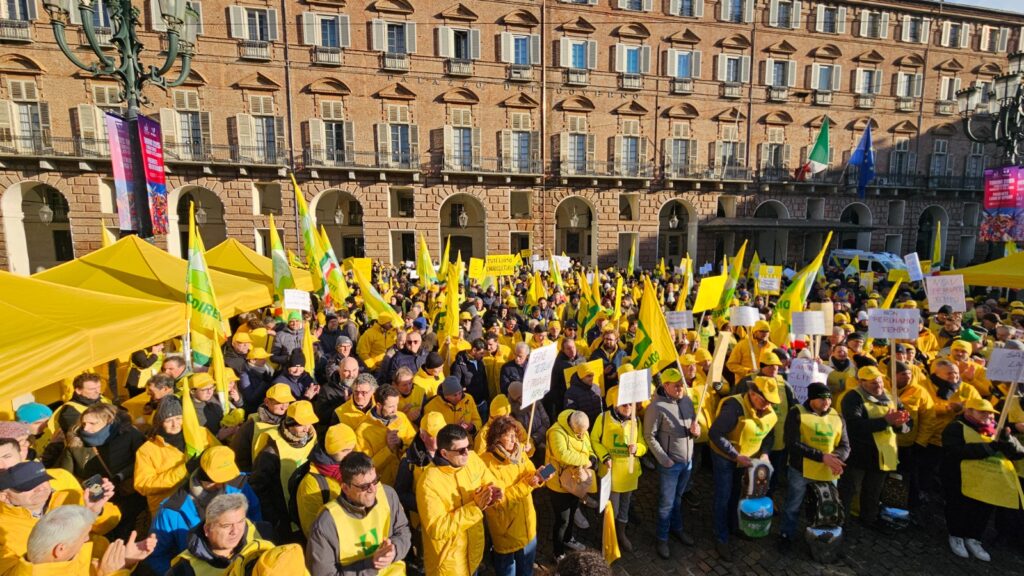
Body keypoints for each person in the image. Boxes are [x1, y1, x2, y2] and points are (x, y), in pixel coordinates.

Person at [147, 446, 263, 575]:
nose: (223, 484)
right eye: (217, 480)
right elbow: (157, 556)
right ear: (203, 476)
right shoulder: (171, 511)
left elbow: (255, 517)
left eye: (226, 478)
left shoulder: (239, 485)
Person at [942, 397, 1024, 561]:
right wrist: (989, 447)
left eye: (991, 413)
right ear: (968, 412)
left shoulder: (997, 429)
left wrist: (1008, 440)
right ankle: (956, 535)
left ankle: (974, 538)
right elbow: (955, 451)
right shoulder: (955, 427)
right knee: (959, 507)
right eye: (982, 412)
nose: (989, 417)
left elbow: (1019, 452)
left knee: (982, 511)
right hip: (961, 478)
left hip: (989, 480)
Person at [708, 376, 780, 562]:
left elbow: (769, 435)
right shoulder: (734, 407)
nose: (766, 406)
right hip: (725, 457)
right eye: (763, 400)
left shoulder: (768, 410)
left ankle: (733, 525)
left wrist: (765, 453)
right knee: (723, 495)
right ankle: (720, 535)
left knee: (737, 494)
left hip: (745, 460)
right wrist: (734, 454)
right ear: (752, 393)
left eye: (770, 402)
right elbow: (715, 433)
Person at [306, 452, 411, 576]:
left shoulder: (388, 494)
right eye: (364, 486)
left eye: (375, 480)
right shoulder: (326, 523)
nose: (372, 489)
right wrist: (371, 564)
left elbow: (403, 531)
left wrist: (395, 550)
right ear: (345, 488)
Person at [416, 425, 501, 576]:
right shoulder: (428, 482)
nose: (467, 453)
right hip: (449, 566)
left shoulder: (473, 459)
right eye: (461, 450)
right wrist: (475, 507)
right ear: (444, 453)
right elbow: (437, 528)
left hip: (474, 555)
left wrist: (494, 492)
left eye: (468, 446)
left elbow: (489, 480)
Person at [57, 403, 146, 542]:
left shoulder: (129, 435)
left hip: (130, 495)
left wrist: (122, 476)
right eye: (84, 423)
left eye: (93, 423)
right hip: (98, 502)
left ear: (108, 422)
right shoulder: (75, 444)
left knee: (130, 534)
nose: (86, 428)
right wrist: (87, 487)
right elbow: (66, 476)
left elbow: (144, 461)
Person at [778, 382, 850, 549]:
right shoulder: (797, 413)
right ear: (811, 399)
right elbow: (793, 443)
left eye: (828, 398)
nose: (826, 402)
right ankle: (786, 535)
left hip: (828, 470)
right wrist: (822, 457)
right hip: (801, 469)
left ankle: (821, 540)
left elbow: (845, 445)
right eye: (821, 398)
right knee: (793, 505)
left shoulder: (837, 416)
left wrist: (835, 459)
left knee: (827, 507)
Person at [838, 365, 910, 528]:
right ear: (861, 382)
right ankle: (841, 521)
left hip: (883, 456)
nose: (878, 385)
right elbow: (854, 426)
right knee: (850, 490)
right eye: (872, 383)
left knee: (873, 492)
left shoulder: (892, 397)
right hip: (859, 454)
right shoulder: (852, 398)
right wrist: (885, 421)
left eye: (879, 381)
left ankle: (869, 519)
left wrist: (901, 424)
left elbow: (905, 424)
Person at [0, 461, 115, 559]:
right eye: (29, 486)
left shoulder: (70, 496)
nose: (41, 488)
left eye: (43, 480)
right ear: (4, 496)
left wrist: (95, 511)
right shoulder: (3, 528)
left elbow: (110, 524)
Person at [643, 368, 698, 558]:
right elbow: (649, 436)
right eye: (676, 385)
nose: (681, 388)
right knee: (666, 504)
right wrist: (664, 459)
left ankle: (677, 528)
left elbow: (691, 429)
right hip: (670, 465)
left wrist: (695, 433)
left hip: (687, 462)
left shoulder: (687, 401)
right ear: (665, 386)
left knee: (677, 499)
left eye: (682, 384)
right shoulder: (655, 407)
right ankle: (662, 538)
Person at [481, 416, 543, 576]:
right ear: (497, 437)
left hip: (527, 524)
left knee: (526, 571)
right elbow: (498, 501)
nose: (514, 439)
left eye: (515, 434)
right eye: (509, 435)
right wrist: (527, 485)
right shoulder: (486, 464)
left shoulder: (520, 453)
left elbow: (530, 473)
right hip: (506, 531)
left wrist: (539, 476)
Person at [17, 505, 154, 576]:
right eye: (84, 536)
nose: (88, 539)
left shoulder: (64, 561)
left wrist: (125, 561)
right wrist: (114, 573)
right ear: (60, 549)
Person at [251, 400, 319, 539]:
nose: (306, 428)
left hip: (307, 507)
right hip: (284, 519)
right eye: (301, 424)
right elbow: (258, 486)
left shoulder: (311, 437)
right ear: (289, 422)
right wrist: (275, 519)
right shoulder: (271, 451)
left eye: (309, 422)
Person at [592, 385, 647, 555]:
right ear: (615, 404)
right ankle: (609, 536)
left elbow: (643, 445)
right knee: (612, 508)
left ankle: (621, 533)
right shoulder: (603, 418)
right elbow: (594, 440)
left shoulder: (636, 421)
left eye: (630, 405)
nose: (628, 408)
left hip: (629, 473)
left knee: (625, 505)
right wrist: (605, 457)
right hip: (611, 472)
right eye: (624, 404)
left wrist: (637, 448)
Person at [134, 396, 212, 516]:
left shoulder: (201, 433)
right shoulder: (146, 450)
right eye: (169, 420)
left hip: (206, 498)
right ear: (160, 422)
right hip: (171, 509)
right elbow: (143, 485)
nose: (175, 424)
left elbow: (218, 454)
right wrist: (183, 470)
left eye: (178, 418)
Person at [168, 493, 274, 576]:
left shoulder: (263, 533)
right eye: (226, 526)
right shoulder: (185, 569)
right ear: (207, 529)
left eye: (241, 521)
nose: (235, 531)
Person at [545, 410, 596, 559]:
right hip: (558, 482)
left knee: (572, 512)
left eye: (584, 432)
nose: (582, 435)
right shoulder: (555, 432)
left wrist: (592, 457)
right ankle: (558, 552)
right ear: (571, 425)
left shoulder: (581, 427)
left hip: (574, 481)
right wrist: (586, 460)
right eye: (579, 432)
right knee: (562, 520)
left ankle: (568, 539)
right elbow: (563, 455)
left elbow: (588, 446)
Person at [295, 423, 357, 538]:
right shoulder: (311, 483)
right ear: (331, 450)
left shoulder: (354, 467)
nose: (350, 454)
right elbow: (312, 530)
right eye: (344, 450)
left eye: (352, 449)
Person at [353, 385, 416, 486]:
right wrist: (388, 450)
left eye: (396, 405)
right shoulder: (362, 431)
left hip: (406, 481)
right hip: (383, 486)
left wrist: (401, 443)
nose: (395, 410)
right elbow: (364, 468)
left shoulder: (402, 418)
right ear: (379, 405)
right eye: (391, 406)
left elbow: (415, 443)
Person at [231, 384, 295, 472]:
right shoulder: (251, 425)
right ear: (267, 402)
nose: (284, 406)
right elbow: (239, 454)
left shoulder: (293, 421)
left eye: (287, 402)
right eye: (279, 402)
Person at [726, 320, 776, 384]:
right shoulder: (742, 345)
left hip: (765, 384)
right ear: (755, 332)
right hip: (744, 384)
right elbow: (731, 364)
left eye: (767, 331)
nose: (765, 333)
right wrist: (748, 371)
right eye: (761, 331)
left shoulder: (773, 347)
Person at [450, 339, 490, 416]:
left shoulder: (480, 362)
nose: (483, 356)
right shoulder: (458, 365)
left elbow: (484, 380)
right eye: (481, 353)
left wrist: (486, 399)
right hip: (467, 405)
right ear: (474, 350)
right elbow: (456, 386)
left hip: (482, 403)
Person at [315, 356, 359, 426]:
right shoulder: (327, 390)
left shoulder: (363, 387)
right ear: (339, 371)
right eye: (346, 371)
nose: (351, 375)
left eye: (354, 370)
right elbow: (321, 417)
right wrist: (343, 403)